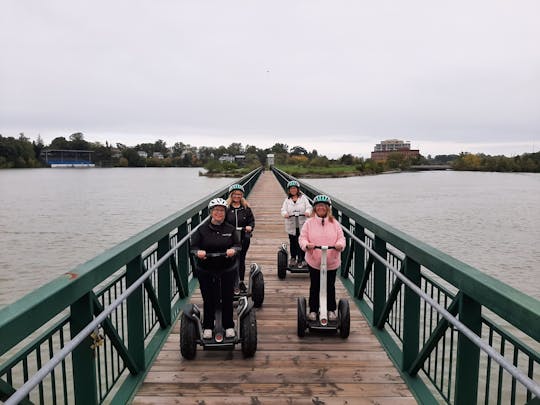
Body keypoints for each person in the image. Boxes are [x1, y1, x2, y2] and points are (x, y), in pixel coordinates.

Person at [190, 198, 241, 340]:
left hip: (226, 268)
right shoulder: (202, 230)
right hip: (206, 269)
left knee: (227, 297)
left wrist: (233, 250)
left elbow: (238, 245)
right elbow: (193, 247)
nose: (219, 213)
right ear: (211, 212)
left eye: (222, 210)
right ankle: (208, 326)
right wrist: (198, 252)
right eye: (216, 210)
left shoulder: (230, 229)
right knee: (209, 298)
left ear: (225, 213)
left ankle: (229, 325)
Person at [299, 194, 345, 321]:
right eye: (318, 206)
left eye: (323, 206)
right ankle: (313, 310)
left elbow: (341, 238)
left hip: (331, 260)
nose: (321, 208)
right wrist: (306, 245)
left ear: (328, 208)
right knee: (315, 285)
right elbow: (302, 238)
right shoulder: (309, 223)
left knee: (330, 286)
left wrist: (340, 245)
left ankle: (331, 310)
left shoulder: (334, 223)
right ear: (315, 208)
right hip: (314, 259)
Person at [225, 184, 255, 293]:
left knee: (241, 259)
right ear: (231, 195)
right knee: (230, 259)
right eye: (235, 194)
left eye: (239, 194)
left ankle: (240, 282)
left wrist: (250, 227)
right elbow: (220, 221)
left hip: (243, 238)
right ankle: (232, 282)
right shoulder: (226, 208)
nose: (237, 196)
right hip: (228, 239)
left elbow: (251, 221)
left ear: (242, 195)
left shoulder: (246, 208)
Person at [280, 180, 312, 268]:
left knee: (303, 242)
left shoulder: (303, 198)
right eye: (291, 189)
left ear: (298, 190)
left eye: (294, 188)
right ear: (289, 190)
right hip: (292, 224)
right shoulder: (287, 200)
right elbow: (283, 210)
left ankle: (304, 259)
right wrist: (285, 214)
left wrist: (307, 212)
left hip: (302, 224)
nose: (293, 190)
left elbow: (309, 207)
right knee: (293, 241)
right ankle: (293, 258)